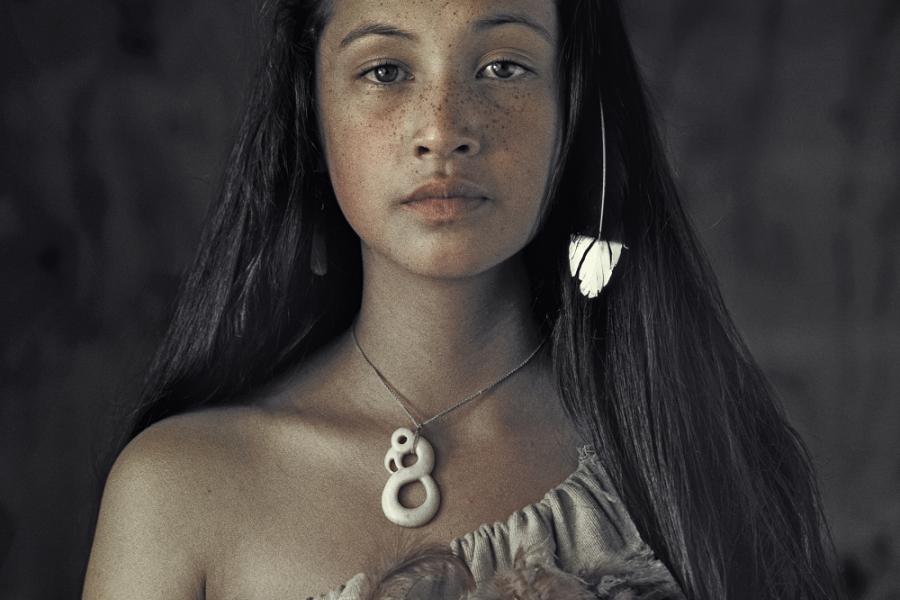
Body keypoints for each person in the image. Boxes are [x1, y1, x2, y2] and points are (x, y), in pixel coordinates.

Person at [82, 0, 842, 598]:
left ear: (571, 104)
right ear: (312, 110)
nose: (443, 129)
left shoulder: (691, 456)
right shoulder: (176, 492)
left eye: (504, 66)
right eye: (385, 70)